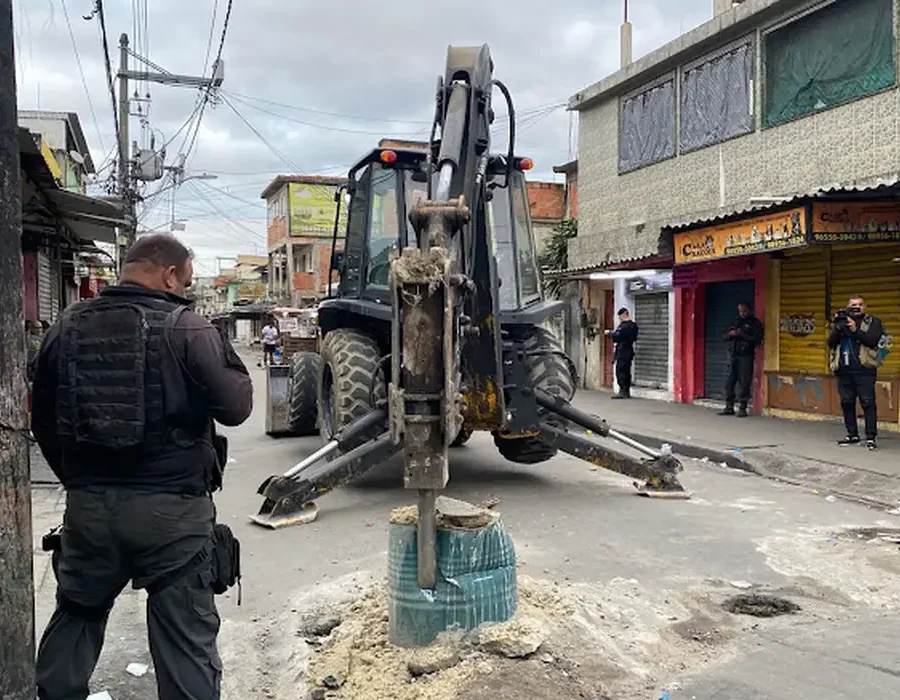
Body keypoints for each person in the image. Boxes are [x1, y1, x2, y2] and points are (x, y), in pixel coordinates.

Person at [30, 233, 253, 700]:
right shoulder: (186, 326)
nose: (185, 290)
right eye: (186, 282)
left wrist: (80, 484)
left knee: (75, 620)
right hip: (172, 518)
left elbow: (43, 422)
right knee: (185, 643)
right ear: (169, 274)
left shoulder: (65, 326)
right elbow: (236, 408)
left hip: (90, 511)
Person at [827, 294, 884, 450]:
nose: (856, 307)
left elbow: (872, 340)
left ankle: (871, 437)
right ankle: (852, 434)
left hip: (864, 370)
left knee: (868, 403)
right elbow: (830, 343)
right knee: (846, 402)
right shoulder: (842, 322)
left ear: (864, 306)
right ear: (848, 307)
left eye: (859, 304)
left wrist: (855, 329)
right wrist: (838, 327)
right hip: (844, 370)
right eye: (853, 305)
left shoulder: (873, 322)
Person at [719, 302, 764, 418]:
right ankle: (729, 407)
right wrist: (731, 334)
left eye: (744, 311)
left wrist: (742, 334)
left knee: (745, 382)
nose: (742, 313)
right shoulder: (735, 321)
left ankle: (743, 408)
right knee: (729, 382)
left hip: (746, 356)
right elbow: (724, 336)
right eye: (740, 311)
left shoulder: (754, 323)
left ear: (749, 310)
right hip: (733, 355)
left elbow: (757, 340)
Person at [605, 307, 639, 399]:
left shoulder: (624, 326)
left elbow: (617, 337)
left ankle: (622, 391)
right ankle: (626, 391)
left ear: (624, 314)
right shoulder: (634, 325)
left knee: (620, 371)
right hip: (629, 349)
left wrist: (609, 334)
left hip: (622, 350)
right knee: (626, 371)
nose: (619, 318)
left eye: (620, 316)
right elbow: (634, 338)